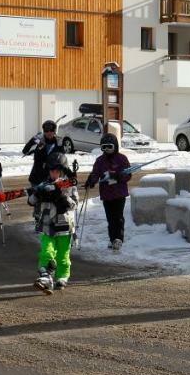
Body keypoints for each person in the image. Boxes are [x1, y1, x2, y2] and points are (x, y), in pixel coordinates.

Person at [28, 150, 78, 292]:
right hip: (46, 225)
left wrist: (61, 197)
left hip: (64, 226)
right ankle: (45, 275)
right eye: (52, 171)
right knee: (47, 251)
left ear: (63, 171)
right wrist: (37, 194)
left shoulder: (69, 186)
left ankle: (62, 277)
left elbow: (74, 204)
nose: (54, 173)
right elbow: (31, 201)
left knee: (63, 254)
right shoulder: (43, 185)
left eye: (57, 171)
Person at [84, 132, 130, 250]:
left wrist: (119, 176)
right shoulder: (100, 160)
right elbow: (95, 173)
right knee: (110, 218)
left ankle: (118, 238)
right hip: (106, 194)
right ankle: (112, 238)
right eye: (104, 147)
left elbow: (128, 174)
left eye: (109, 147)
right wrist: (91, 180)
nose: (107, 150)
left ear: (115, 146)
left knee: (118, 216)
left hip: (119, 193)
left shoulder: (122, 159)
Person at [23, 120, 62, 187]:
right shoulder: (39, 141)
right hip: (37, 178)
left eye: (51, 130)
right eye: (46, 130)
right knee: (35, 197)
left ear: (55, 131)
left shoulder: (58, 143)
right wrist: (33, 140)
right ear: (44, 131)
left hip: (52, 178)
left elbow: (63, 159)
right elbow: (25, 151)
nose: (49, 132)